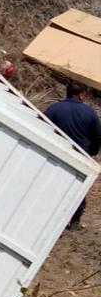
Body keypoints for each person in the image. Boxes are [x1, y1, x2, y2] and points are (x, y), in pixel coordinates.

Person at [44, 81, 101, 229]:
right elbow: (97, 137)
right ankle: (74, 221)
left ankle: (48, 216)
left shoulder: (55, 108)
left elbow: (42, 125)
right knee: (77, 189)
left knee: (52, 186)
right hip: (81, 156)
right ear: (81, 95)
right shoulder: (89, 112)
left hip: (57, 153)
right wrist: (92, 152)